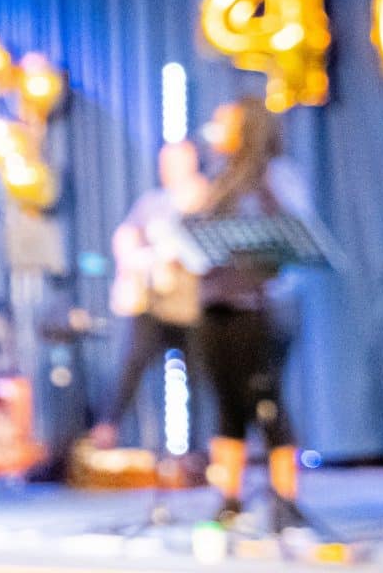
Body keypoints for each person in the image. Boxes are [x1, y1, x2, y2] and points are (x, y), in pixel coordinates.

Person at [191, 96, 314, 533]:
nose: (213, 129)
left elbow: (296, 237)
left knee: (267, 400)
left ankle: (286, 500)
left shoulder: (276, 176)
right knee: (227, 404)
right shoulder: (218, 179)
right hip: (215, 304)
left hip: (260, 308)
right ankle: (229, 498)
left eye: (224, 121)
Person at [91, 138, 209, 452]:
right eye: (164, 163)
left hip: (193, 304)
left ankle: (195, 452)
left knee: (196, 377)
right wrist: (135, 263)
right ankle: (106, 429)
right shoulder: (152, 202)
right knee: (132, 361)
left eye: (176, 162)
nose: (168, 169)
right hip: (155, 303)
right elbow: (127, 237)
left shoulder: (206, 197)